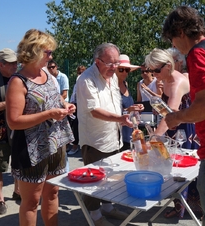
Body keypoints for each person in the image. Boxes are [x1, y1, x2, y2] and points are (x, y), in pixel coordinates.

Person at [5, 29, 75, 226]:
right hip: (31, 149)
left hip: (55, 143)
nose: (51, 56)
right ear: (34, 51)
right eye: (48, 52)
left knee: (52, 193)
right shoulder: (18, 81)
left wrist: (65, 106)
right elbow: (14, 121)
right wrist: (49, 114)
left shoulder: (46, 74)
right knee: (31, 201)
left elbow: (55, 101)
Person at [162, 6, 205, 226]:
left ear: (181, 32)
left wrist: (177, 117)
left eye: (173, 40)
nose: (174, 46)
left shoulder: (198, 53)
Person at [76, 43, 133, 226]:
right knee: (94, 179)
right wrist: (120, 118)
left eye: (116, 63)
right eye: (110, 63)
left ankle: (108, 209)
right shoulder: (86, 79)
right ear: (97, 61)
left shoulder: (113, 77)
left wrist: (126, 111)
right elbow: (95, 111)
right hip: (95, 140)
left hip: (113, 137)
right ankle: (95, 217)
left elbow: (115, 103)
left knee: (111, 176)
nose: (114, 67)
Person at [145, 47, 201, 218]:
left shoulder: (177, 82)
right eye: (150, 70)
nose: (154, 75)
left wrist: (153, 139)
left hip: (183, 131)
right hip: (173, 130)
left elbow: (171, 113)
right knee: (174, 171)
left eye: (156, 70)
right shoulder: (166, 80)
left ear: (168, 66)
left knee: (183, 170)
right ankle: (180, 209)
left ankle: (198, 210)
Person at [0, 48, 20, 215]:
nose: (15, 66)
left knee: (19, 164)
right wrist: (8, 103)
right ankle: (0, 199)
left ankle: (18, 191)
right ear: (1, 64)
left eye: (16, 62)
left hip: (19, 130)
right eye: (11, 63)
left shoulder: (20, 78)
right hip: (0, 132)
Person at [115, 54, 144, 151]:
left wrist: (135, 107)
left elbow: (127, 105)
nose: (124, 72)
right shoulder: (111, 87)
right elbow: (111, 110)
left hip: (129, 129)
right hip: (118, 132)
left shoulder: (125, 84)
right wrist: (128, 110)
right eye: (121, 69)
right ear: (115, 69)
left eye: (127, 70)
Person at [68, 65, 87, 155]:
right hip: (76, 105)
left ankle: (76, 146)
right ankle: (72, 144)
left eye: (83, 72)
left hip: (84, 106)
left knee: (77, 124)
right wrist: (71, 103)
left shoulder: (87, 81)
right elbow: (73, 95)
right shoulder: (77, 82)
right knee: (73, 124)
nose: (80, 74)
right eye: (79, 72)